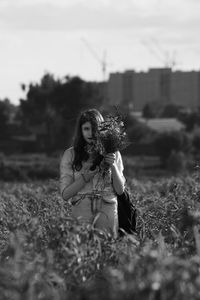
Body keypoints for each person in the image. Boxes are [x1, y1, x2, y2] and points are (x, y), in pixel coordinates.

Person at [60, 108, 125, 238]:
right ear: (81, 130)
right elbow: (65, 194)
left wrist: (112, 165)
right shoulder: (70, 154)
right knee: (82, 252)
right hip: (81, 209)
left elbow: (120, 190)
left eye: (94, 128)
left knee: (106, 250)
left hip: (107, 208)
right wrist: (84, 178)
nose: (90, 133)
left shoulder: (113, 152)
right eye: (86, 129)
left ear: (101, 130)